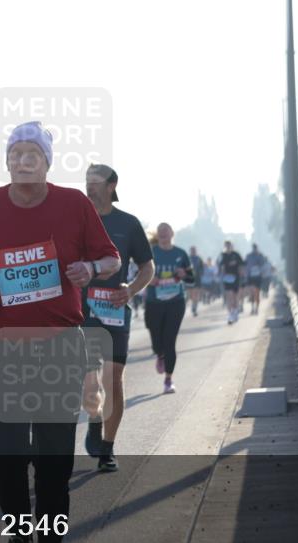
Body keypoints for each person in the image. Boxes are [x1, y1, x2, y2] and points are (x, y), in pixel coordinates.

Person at [0, 121, 120, 543]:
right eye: (15, 151)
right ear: (6, 160)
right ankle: (19, 540)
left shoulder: (72, 203)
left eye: (33, 151)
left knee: (54, 455)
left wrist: (89, 268)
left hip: (59, 342)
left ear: (48, 161)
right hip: (6, 345)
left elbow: (111, 259)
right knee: (5, 456)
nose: (23, 158)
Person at [80, 164, 154, 473]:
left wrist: (131, 290)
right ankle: (94, 420)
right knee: (88, 384)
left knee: (114, 381)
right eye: (87, 182)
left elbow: (147, 267)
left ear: (112, 186)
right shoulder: (75, 221)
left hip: (114, 310)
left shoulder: (128, 224)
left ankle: (108, 448)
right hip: (81, 311)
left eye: (96, 182)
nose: (90, 187)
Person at [144, 223, 193, 394]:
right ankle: (159, 354)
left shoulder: (181, 254)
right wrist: (150, 280)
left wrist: (183, 274)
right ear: (158, 235)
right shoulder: (150, 252)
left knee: (170, 341)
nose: (164, 233)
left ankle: (168, 379)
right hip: (154, 303)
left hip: (175, 302)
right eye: (161, 231)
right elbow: (138, 274)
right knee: (157, 340)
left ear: (172, 233)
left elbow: (192, 279)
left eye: (166, 231)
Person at [218, 240, 244, 324]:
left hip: (236, 278)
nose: (228, 247)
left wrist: (241, 277)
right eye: (226, 246)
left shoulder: (236, 255)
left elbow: (241, 266)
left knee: (235, 297)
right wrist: (221, 275)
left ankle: (235, 312)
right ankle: (230, 315)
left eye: (229, 246)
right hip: (227, 278)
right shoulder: (222, 255)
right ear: (225, 246)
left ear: (232, 246)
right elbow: (220, 266)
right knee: (229, 296)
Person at [244, 243, 268, 315]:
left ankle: (256, 309)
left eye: (255, 248)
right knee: (251, 293)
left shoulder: (260, 256)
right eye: (253, 248)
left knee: (257, 293)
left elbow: (263, 265)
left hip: (258, 277)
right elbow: (245, 265)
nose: (254, 249)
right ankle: (252, 308)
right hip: (250, 277)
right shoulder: (248, 256)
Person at [187, 246, 205, 317]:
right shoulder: (187, 258)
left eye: (194, 250)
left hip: (197, 279)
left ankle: (194, 308)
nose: (193, 251)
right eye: (192, 250)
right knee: (190, 295)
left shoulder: (199, 259)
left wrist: (200, 273)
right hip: (189, 278)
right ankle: (193, 304)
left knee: (195, 294)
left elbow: (202, 268)